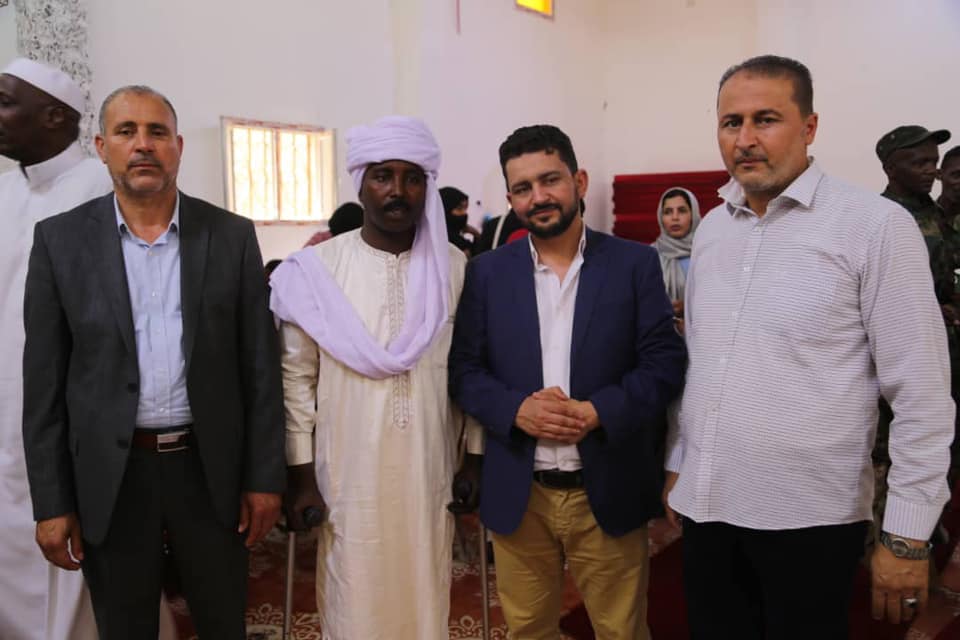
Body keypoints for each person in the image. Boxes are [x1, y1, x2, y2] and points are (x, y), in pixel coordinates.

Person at [664, 55, 954, 639]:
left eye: (766, 119)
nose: (745, 138)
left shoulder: (874, 226)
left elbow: (922, 394)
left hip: (811, 518)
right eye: (731, 122)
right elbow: (703, 365)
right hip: (708, 506)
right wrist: (679, 465)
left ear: (810, 127)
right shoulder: (713, 229)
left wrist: (907, 533)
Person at [22, 85, 285, 639]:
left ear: (178, 147)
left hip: (210, 469)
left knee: (223, 622)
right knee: (125, 627)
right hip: (112, 476)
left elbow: (260, 369)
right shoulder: (59, 242)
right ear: (102, 147)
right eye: (127, 131)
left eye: (157, 132)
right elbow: (43, 385)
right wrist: (51, 502)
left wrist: (265, 478)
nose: (143, 144)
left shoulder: (230, 236)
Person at [449, 124, 686, 640]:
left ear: (578, 181)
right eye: (523, 187)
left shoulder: (633, 263)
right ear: (510, 200)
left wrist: (600, 410)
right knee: (528, 631)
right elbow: (463, 370)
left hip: (607, 485)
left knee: (621, 631)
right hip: (521, 492)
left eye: (550, 180)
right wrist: (516, 409)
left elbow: (665, 362)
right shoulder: (487, 273)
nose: (538, 197)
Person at [271, 116, 475, 639]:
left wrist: (475, 455)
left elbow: (472, 369)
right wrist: (299, 474)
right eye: (383, 175)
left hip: (429, 469)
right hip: (346, 474)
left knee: (425, 596)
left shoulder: (455, 268)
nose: (397, 191)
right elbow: (295, 382)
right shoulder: (314, 271)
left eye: (412, 178)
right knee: (354, 598)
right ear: (360, 183)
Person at [0, 58, 175, 640]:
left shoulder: (106, 187)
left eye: (5, 102)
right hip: (12, 408)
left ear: (55, 116)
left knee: (98, 559)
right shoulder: (4, 190)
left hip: (86, 414)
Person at [652, 187, 701, 334]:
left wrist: (688, 307)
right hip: (659, 335)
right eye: (668, 212)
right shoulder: (649, 256)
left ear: (693, 215)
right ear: (660, 217)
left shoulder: (706, 252)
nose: (675, 217)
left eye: (682, 211)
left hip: (705, 333)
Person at [440, 185, 480, 255]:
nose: (464, 213)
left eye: (465, 208)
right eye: (459, 208)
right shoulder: (442, 242)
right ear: (445, 210)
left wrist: (476, 234)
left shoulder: (460, 239)